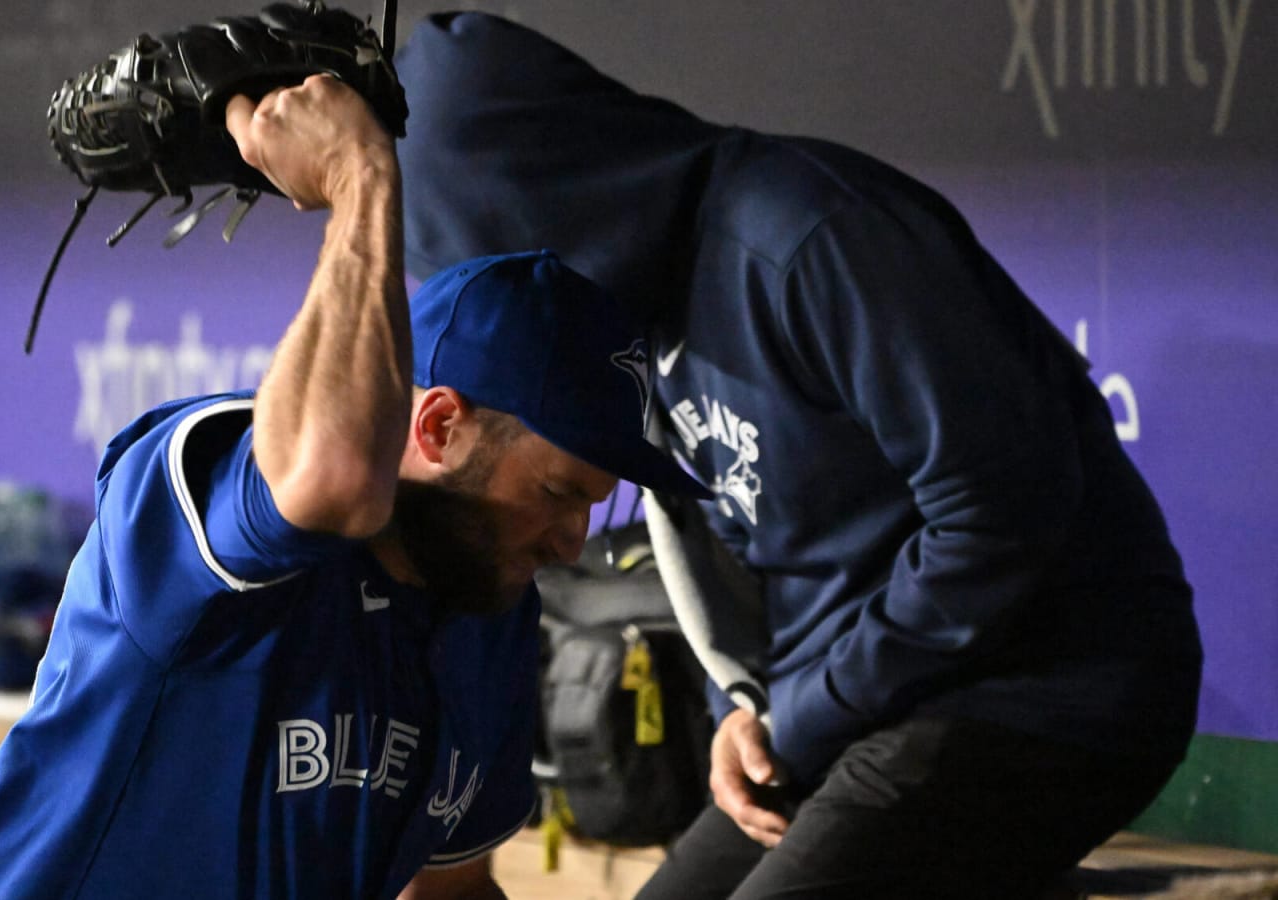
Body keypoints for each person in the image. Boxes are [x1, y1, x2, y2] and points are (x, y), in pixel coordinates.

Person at [394, 13, 1204, 900]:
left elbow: (1002, 514)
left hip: (1050, 687)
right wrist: (749, 711)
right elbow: (755, 560)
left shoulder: (810, 235)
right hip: (861, 709)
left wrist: (805, 713)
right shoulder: (631, 306)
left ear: (544, 193)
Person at [0, 75, 706, 900]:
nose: (573, 540)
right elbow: (333, 477)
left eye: (594, 505)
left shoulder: (488, 612)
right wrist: (360, 174)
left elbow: (449, 893)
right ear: (436, 428)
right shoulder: (201, 486)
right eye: (561, 492)